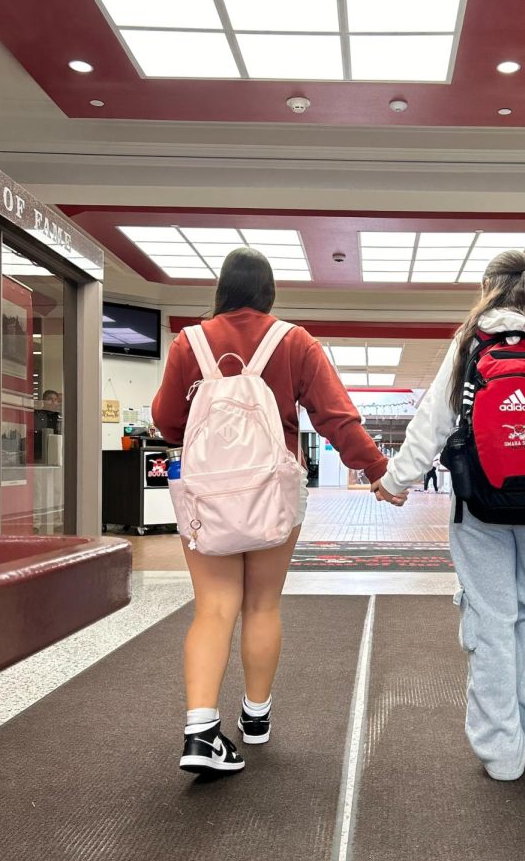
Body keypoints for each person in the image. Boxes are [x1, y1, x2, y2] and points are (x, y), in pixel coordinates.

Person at [373, 250, 525, 781]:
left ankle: (503, 751)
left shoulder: (469, 342)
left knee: (491, 616)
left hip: (479, 504)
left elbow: (432, 421)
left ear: (487, 287)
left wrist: (396, 482)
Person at [152, 248, 389, 775]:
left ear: (222, 289)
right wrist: (377, 471)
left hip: (207, 496)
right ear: (269, 291)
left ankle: (201, 732)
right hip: (272, 492)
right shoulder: (294, 341)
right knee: (261, 605)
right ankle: (255, 719)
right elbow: (336, 417)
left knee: (214, 606)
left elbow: (168, 423)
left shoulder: (188, 343)